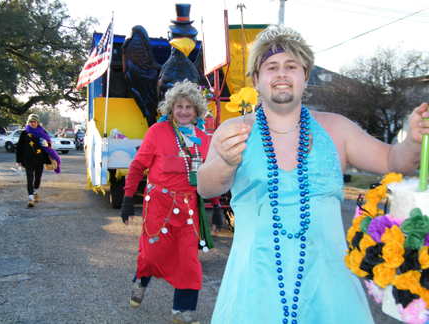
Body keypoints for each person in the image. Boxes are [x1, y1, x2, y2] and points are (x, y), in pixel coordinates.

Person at [197, 25, 429, 324]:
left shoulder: (337, 128)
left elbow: (393, 160)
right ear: (256, 79)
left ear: (306, 76)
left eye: (291, 66)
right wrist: (227, 161)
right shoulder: (234, 131)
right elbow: (205, 186)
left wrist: (412, 139)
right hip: (253, 291)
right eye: (271, 67)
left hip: (331, 292)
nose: (282, 73)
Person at [120, 80, 212, 324]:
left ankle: (182, 311)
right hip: (159, 207)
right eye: (179, 106)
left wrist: (217, 206)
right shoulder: (157, 132)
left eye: (189, 107)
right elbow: (138, 166)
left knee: (189, 259)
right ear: (171, 108)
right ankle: (140, 281)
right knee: (151, 254)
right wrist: (128, 198)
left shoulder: (204, 138)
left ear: (197, 111)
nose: (183, 111)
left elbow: (211, 173)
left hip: (189, 209)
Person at [16, 114, 61, 208]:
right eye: (30, 122)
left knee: (38, 178)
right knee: (29, 178)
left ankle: (35, 191)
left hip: (39, 159)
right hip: (27, 159)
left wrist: (47, 144)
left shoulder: (43, 132)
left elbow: (49, 146)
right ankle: (30, 199)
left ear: (37, 123)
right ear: (28, 123)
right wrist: (18, 160)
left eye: (34, 121)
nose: (32, 123)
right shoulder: (24, 133)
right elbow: (19, 147)